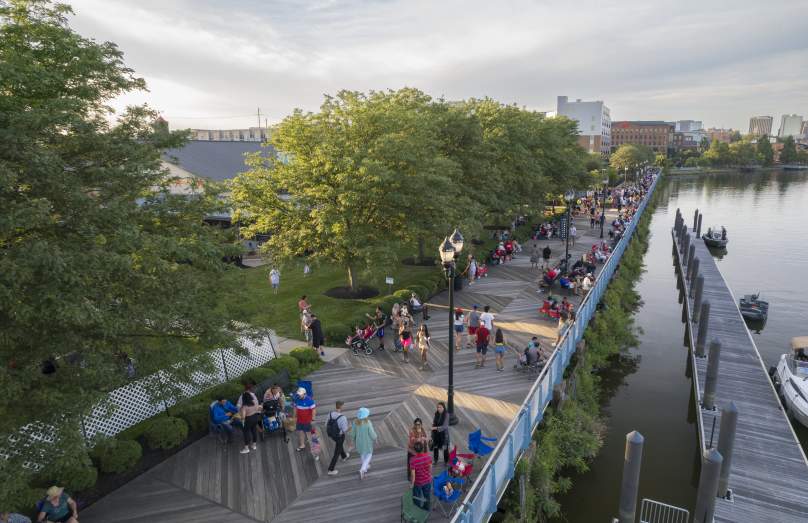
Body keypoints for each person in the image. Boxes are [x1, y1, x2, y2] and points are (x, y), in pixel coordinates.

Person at [351, 407, 377, 479]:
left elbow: (352, 433)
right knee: (369, 454)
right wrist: (375, 437)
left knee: (362, 454)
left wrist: (352, 440)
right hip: (367, 442)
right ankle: (362, 469)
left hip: (359, 442)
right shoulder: (368, 423)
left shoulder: (355, 422)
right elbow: (372, 433)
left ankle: (365, 467)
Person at [326, 401, 350, 476]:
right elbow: (345, 430)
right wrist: (350, 427)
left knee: (339, 446)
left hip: (331, 435)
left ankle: (344, 456)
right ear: (342, 407)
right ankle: (331, 469)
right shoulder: (343, 417)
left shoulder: (330, 414)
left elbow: (326, 424)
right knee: (336, 453)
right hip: (339, 436)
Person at [237, 384, 261, 454]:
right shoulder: (255, 402)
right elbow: (258, 408)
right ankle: (254, 445)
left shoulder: (244, 406)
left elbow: (243, 416)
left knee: (246, 433)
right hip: (255, 417)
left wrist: (242, 420)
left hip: (248, 419)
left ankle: (246, 448)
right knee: (254, 431)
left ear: (244, 398)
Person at [409, 441, 432, 511]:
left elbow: (413, 474)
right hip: (427, 480)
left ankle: (418, 511)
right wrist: (429, 475)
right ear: (422, 448)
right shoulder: (428, 456)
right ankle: (426, 509)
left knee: (417, 497)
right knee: (427, 496)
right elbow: (430, 468)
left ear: (414, 450)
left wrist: (412, 484)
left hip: (418, 482)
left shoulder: (413, 460)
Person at [293, 387, 317, 451]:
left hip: (307, 421)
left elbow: (314, 410)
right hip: (299, 420)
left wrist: (313, 419)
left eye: (300, 394)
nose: (299, 395)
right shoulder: (297, 399)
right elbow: (295, 408)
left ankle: (313, 447)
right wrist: (294, 416)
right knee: (300, 432)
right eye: (298, 394)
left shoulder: (310, 400)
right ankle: (302, 445)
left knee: (309, 434)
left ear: (304, 394)